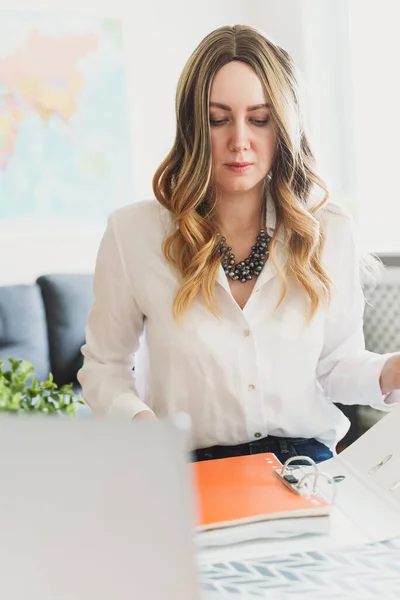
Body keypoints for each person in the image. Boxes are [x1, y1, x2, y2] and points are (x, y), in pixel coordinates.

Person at [78, 24, 400, 465]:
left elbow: (336, 366)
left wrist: (390, 370)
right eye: (218, 119)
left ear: (283, 126)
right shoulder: (133, 234)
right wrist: (142, 425)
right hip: (190, 468)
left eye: (260, 119)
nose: (239, 141)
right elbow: (104, 367)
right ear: (193, 125)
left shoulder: (329, 230)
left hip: (306, 467)